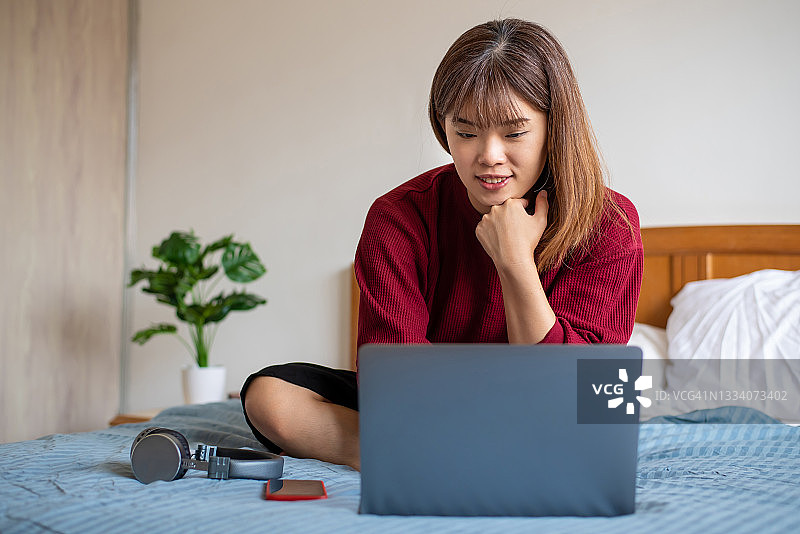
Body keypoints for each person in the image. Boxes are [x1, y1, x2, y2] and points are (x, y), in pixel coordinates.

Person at [241, 18, 643, 471]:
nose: (488, 155)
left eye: (514, 133)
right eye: (466, 132)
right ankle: (460, 452)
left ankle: (423, 453)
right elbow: (393, 379)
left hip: (547, 401)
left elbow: (584, 387)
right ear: (442, 127)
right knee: (269, 397)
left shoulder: (609, 223)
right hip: (438, 403)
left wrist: (514, 263)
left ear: (554, 127)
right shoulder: (399, 217)